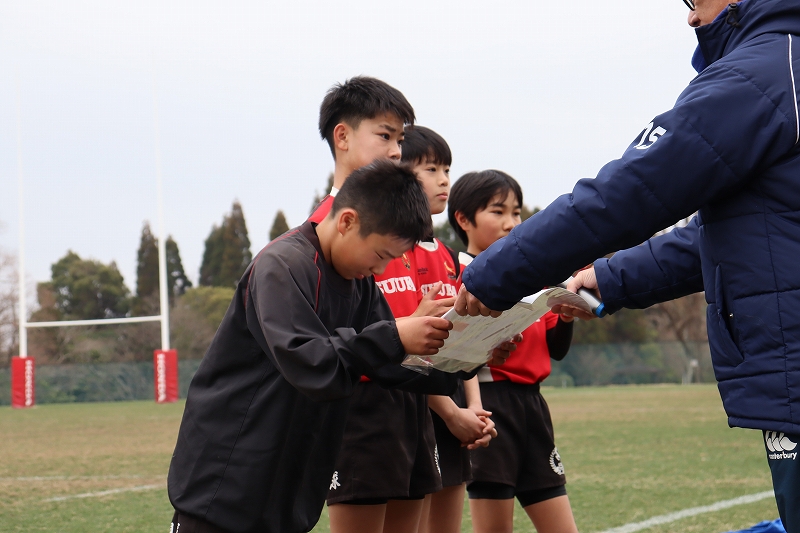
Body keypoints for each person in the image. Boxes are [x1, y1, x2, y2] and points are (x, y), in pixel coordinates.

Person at [454, 0, 800, 529]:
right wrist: (607, 280)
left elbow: (632, 189)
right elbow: (726, 239)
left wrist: (494, 273)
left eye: (694, 0)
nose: (690, 17)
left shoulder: (765, 71)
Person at [167, 161, 493, 533]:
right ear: (347, 222)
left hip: (289, 483)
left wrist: (468, 353)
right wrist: (395, 336)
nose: (381, 271)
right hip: (227, 480)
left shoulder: (359, 281)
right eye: (381, 255)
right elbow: (311, 363)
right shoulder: (282, 266)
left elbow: (389, 364)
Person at [327, 126, 496, 533]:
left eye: (446, 170)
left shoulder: (440, 255)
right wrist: (452, 412)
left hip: (422, 400)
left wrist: (473, 392)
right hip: (375, 403)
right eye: (430, 170)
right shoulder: (355, 246)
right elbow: (388, 342)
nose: (443, 180)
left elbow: (445, 341)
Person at [447, 170, 578, 533]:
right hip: (490, 406)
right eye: (498, 211)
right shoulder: (458, 275)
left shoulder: (530, 276)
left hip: (533, 407)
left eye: (516, 212)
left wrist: (567, 314)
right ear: (463, 219)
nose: (511, 222)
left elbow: (556, 349)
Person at [309, 75, 414, 223]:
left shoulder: (401, 222)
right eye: (385, 136)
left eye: (400, 142)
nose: (396, 152)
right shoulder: (320, 228)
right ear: (343, 137)